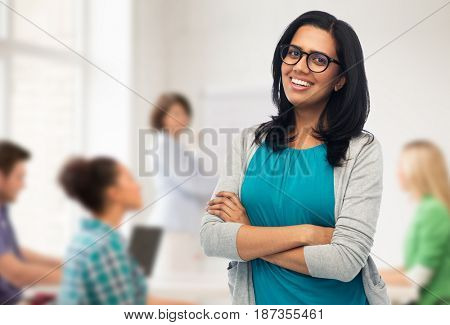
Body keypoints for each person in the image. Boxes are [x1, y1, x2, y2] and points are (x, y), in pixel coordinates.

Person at [200, 11, 389, 304]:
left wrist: (249, 236)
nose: (300, 67)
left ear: (340, 80)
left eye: (318, 59)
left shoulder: (362, 151)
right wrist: (308, 233)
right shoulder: (248, 142)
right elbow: (212, 238)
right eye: (294, 53)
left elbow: (345, 261)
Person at [58, 156, 192, 305]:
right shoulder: (106, 247)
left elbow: (137, 300)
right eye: (130, 179)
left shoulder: (84, 239)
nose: (138, 186)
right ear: (113, 192)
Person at [380, 140, 450, 305]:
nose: (397, 173)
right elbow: (414, 266)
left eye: (401, 166)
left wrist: (368, 277)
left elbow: (417, 277)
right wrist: (370, 273)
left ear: (417, 171)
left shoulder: (433, 210)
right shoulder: (427, 207)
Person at [0, 141, 61, 305]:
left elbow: (12, 251)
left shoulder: (2, 208)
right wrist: (77, 278)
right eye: (19, 177)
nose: (23, 185)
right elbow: (15, 273)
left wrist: (63, 263)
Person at [147, 92, 217, 234]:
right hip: (172, 223)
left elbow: (196, 176)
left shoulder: (176, 145)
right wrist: (225, 183)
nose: (183, 118)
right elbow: (193, 183)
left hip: (179, 222)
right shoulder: (163, 143)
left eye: (185, 113)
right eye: (176, 113)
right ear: (162, 117)